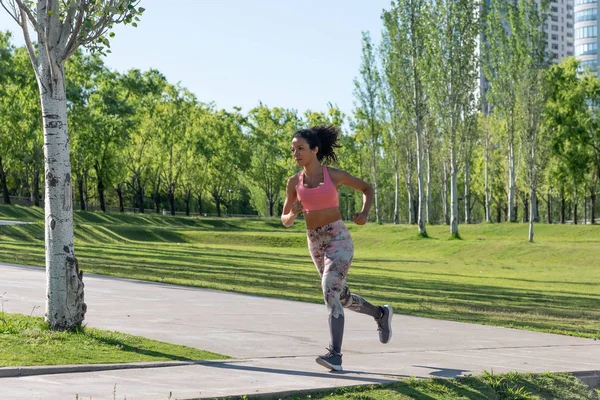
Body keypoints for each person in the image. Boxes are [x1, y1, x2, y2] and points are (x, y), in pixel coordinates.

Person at [281, 125, 393, 372]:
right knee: (339, 295)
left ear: (315, 149)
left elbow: (367, 188)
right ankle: (381, 314)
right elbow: (285, 220)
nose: (296, 153)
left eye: (300, 148)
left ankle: (335, 355)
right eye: (293, 149)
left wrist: (364, 213)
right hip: (315, 242)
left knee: (328, 289)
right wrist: (293, 213)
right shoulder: (293, 183)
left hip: (338, 238)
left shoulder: (334, 176)